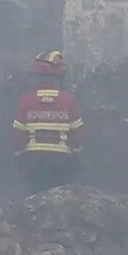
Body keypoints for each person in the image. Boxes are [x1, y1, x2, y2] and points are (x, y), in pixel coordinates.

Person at [12, 50, 83, 194]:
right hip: (62, 164)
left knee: (34, 198)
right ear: (59, 77)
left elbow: (18, 139)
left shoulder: (27, 100)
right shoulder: (68, 101)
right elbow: (78, 138)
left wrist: (19, 157)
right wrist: (76, 155)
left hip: (34, 164)